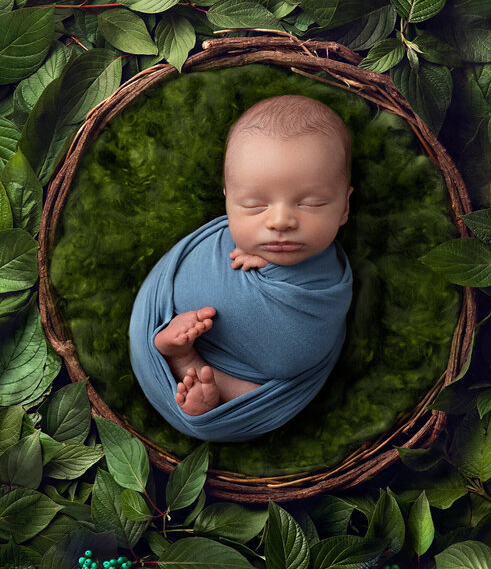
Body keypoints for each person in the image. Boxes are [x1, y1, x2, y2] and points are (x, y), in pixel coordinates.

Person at [128, 94, 355, 441]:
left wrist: (276, 264)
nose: (280, 221)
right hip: (183, 316)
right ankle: (180, 356)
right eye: (254, 204)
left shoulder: (328, 270)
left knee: (254, 395)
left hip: (259, 382)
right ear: (227, 200)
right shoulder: (223, 241)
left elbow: (322, 298)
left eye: (312, 203)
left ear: (344, 206)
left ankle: (190, 366)